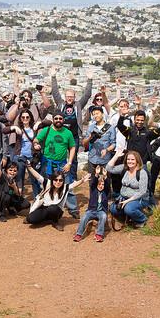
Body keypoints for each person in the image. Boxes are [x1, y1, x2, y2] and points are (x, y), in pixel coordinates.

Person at [50, 69, 93, 212]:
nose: (69, 98)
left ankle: (72, 182)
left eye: (72, 96)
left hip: (74, 137)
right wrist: (54, 76)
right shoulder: (61, 104)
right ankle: (59, 184)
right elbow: (55, 92)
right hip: (62, 136)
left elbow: (87, 95)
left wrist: (90, 80)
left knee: (73, 162)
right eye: (68, 96)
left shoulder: (78, 105)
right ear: (65, 97)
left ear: (74, 97)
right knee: (61, 160)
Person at [33, 111, 78, 217]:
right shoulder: (46, 130)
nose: (58, 120)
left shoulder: (68, 132)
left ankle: (73, 208)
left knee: (68, 185)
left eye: (60, 118)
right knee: (45, 185)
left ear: (63, 120)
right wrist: (36, 144)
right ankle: (41, 206)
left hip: (62, 164)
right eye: (56, 118)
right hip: (47, 163)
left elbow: (72, 147)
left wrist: (70, 163)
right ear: (53, 119)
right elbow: (36, 140)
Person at [25, 164, 90, 231]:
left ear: (63, 181)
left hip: (56, 211)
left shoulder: (65, 187)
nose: (58, 182)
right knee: (30, 219)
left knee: (53, 208)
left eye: (60, 180)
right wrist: (29, 167)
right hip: (44, 208)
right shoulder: (47, 183)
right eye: (56, 180)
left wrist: (82, 181)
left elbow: (73, 185)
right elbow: (38, 176)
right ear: (52, 180)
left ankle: (55, 222)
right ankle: (46, 219)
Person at [106, 149, 150, 228]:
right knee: (113, 209)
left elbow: (142, 191)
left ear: (137, 161)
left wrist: (127, 201)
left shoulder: (142, 172)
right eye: (128, 159)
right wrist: (116, 156)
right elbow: (109, 168)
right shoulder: (124, 168)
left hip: (138, 199)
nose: (130, 161)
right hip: (123, 198)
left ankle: (142, 219)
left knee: (129, 209)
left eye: (133, 159)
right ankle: (128, 217)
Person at [0, 149, 31, 222]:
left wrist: (14, 186)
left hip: (10, 196)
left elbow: (19, 194)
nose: (12, 172)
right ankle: (1, 213)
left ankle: (10, 207)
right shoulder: (3, 176)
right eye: (10, 170)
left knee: (26, 204)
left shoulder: (18, 179)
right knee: (6, 195)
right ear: (6, 170)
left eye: (15, 171)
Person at [8, 108, 42, 197]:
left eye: (27, 117)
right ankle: (19, 199)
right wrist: (14, 127)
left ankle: (37, 198)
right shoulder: (19, 128)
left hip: (32, 157)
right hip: (20, 156)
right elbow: (5, 131)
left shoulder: (34, 127)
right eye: (23, 117)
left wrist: (39, 123)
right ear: (20, 119)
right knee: (19, 179)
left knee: (35, 179)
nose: (25, 119)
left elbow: (48, 123)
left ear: (30, 118)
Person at [73, 167, 111, 242]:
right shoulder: (93, 190)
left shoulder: (105, 192)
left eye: (102, 184)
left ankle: (99, 235)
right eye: (99, 184)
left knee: (103, 216)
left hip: (101, 211)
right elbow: (93, 183)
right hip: (91, 211)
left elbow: (107, 185)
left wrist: (105, 176)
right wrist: (96, 174)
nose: (101, 186)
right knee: (84, 217)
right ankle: (78, 234)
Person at [82, 105, 116, 172]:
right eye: (94, 114)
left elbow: (114, 144)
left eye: (97, 113)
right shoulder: (91, 127)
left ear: (102, 114)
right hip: (92, 158)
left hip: (105, 159)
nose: (95, 116)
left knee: (105, 181)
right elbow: (84, 143)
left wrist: (106, 150)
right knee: (92, 181)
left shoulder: (110, 128)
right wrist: (89, 137)